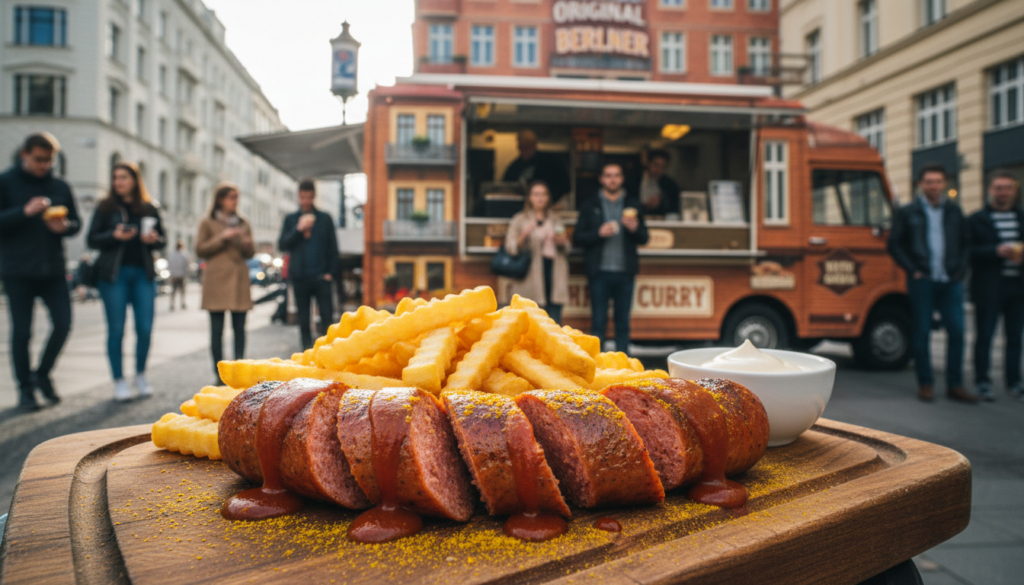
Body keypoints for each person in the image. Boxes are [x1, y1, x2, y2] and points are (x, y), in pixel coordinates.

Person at [0, 132, 80, 411]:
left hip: (53, 270)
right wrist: (24, 211)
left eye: (49, 160)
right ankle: (25, 389)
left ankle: (42, 375)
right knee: (22, 333)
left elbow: (76, 223)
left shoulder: (59, 185)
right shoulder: (6, 181)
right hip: (17, 270)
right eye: (38, 159)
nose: (44, 165)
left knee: (63, 324)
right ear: (25, 154)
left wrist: (65, 226)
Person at [887, 163, 976, 403]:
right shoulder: (908, 212)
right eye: (929, 182)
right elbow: (894, 243)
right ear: (921, 184)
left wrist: (960, 270)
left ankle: (955, 385)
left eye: (937, 181)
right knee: (922, 332)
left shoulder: (954, 211)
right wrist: (912, 270)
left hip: (950, 280)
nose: (933, 186)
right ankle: (926, 383)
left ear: (943, 184)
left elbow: (967, 243)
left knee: (957, 332)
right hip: (922, 280)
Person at [87, 162, 166, 401]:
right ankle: (119, 380)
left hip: (144, 274)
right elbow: (91, 239)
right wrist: (114, 235)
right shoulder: (105, 207)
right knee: (116, 330)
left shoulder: (149, 208)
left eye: (123, 177)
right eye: (115, 177)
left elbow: (163, 240)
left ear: (134, 179)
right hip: (114, 275)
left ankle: (140, 374)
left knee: (144, 328)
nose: (118, 182)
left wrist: (153, 239)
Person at [573, 162, 649, 355]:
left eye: (616, 175)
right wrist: (598, 233)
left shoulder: (632, 203)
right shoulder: (590, 205)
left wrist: (634, 229)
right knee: (598, 321)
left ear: (622, 179)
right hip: (599, 272)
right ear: (601, 179)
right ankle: (597, 366)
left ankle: (625, 365)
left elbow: (644, 237)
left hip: (625, 271)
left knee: (622, 322)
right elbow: (577, 237)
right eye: (608, 175)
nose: (612, 179)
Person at [968, 171, 1024, 401]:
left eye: (1008, 188)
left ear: (1014, 190)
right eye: (999, 188)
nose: (1003, 192)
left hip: (1017, 287)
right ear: (991, 190)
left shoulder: (1021, 217)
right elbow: (968, 252)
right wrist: (995, 251)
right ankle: (982, 381)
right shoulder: (976, 219)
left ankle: (1014, 382)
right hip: (988, 288)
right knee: (985, 336)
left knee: (1015, 338)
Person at [196, 183, 255, 383]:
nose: (235, 201)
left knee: (240, 328)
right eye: (231, 197)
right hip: (217, 281)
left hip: (238, 281)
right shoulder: (208, 222)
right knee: (217, 330)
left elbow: (251, 252)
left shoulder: (243, 222)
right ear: (220, 199)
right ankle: (219, 374)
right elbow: (200, 249)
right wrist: (222, 236)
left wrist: (246, 244)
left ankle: (239, 372)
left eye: (237, 197)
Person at [278, 180, 338, 350]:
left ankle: (329, 353)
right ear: (298, 197)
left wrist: (330, 273)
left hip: (321, 277)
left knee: (327, 319)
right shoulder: (291, 220)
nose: (306, 201)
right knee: (303, 319)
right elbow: (282, 244)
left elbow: (333, 248)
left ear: (313, 197)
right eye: (303, 197)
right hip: (300, 277)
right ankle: (306, 353)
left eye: (309, 197)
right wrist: (298, 229)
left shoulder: (325, 219)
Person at [504, 180, 571, 324]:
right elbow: (511, 248)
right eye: (536, 194)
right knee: (530, 326)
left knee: (554, 324)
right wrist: (524, 235)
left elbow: (567, 248)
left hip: (553, 277)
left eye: (543, 194)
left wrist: (561, 241)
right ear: (529, 197)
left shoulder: (555, 219)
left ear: (548, 198)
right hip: (530, 279)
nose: (540, 198)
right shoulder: (519, 220)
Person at [501, 130, 571, 205]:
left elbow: (565, 186)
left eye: (527, 147)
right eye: (521, 148)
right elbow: (505, 188)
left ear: (534, 145)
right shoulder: (514, 167)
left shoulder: (550, 162)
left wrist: (550, 203)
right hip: (520, 209)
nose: (524, 151)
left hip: (548, 208)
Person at [626, 149, 681, 217]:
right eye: (656, 165)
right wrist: (643, 204)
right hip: (637, 219)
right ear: (648, 163)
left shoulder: (670, 185)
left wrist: (661, 202)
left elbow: (674, 207)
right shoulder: (633, 180)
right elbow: (627, 201)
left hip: (660, 221)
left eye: (662, 166)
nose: (658, 169)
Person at [168, 241, 190, 311]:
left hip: (174, 275)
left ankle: (172, 304)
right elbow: (187, 265)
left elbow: (169, 265)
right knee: (182, 291)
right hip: (181, 275)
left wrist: (171, 275)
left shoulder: (171, 255)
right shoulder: (184, 254)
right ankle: (182, 303)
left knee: (173, 291)